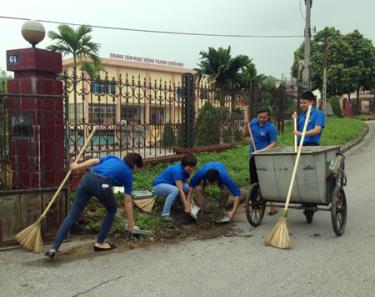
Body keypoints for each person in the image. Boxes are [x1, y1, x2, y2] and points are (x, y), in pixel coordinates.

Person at [45, 153, 143, 259]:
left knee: (73, 215)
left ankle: (54, 248)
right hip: (103, 184)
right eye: (137, 169)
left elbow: (95, 161)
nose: (136, 172)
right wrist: (131, 223)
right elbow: (127, 201)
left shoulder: (113, 158)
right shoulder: (128, 174)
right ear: (135, 166)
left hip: (87, 178)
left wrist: (77, 166)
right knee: (112, 210)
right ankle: (100, 243)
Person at [243, 106, 278, 215]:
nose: (262, 119)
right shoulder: (253, 123)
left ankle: (272, 204)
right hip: (253, 156)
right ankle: (254, 203)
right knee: (254, 181)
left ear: (268, 117)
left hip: (265, 157)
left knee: (266, 181)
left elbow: (274, 143)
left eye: (264, 118)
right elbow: (246, 134)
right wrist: (245, 124)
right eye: (260, 117)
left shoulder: (271, 128)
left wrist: (261, 151)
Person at [152, 153, 197, 221]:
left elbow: (189, 186)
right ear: (184, 164)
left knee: (187, 187)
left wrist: (191, 200)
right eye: (190, 167)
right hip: (158, 186)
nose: (191, 169)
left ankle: (178, 204)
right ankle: (165, 215)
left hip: (170, 185)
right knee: (175, 190)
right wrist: (186, 206)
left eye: (192, 167)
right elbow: (180, 190)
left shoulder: (186, 171)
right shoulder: (178, 171)